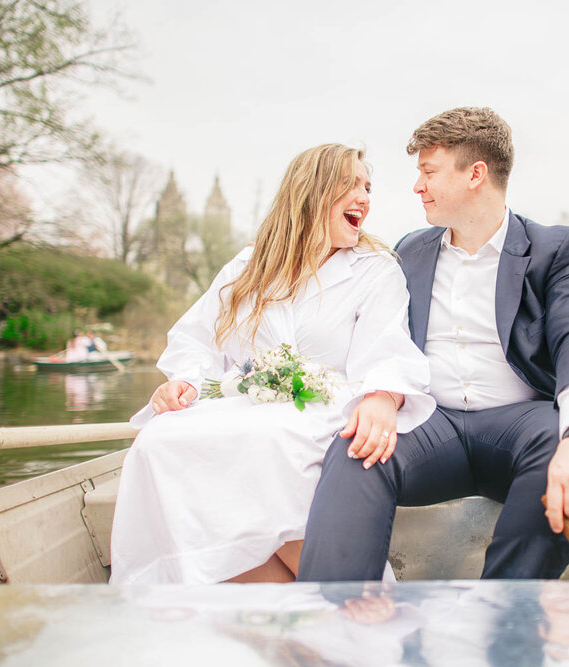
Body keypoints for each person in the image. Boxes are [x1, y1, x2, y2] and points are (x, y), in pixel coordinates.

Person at [299, 107, 569, 581]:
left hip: (521, 423)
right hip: (433, 424)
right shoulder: (407, 251)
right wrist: (381, 397)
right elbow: (365, 329)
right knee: (357, 449)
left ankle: (502, 626)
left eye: (428, 172)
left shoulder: (557, 249)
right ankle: (336, 623)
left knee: (560, 441)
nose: (417, 186)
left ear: (476, 174)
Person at [109, 144, 435, 585]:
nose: (364, 198)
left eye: (367, 187)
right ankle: (240, 599)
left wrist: (382, 395)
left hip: (323, 409)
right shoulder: (247, 266)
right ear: (311, 192)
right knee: (156, 442)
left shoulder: (375, 270)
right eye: (350, 185)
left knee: (271, 443)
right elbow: (195, 338)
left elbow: (387, 348)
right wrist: (182, 381)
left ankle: (341, 600)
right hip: (248, 402)